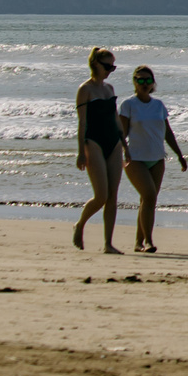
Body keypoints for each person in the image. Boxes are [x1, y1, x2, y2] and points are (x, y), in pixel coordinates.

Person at [117, 65, 187, 254]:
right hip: (135, 159)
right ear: (134, 82)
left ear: (153, 83)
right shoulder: (128, 105)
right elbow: (121, 133)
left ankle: (138, 242)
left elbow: (167, 132)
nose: (144, 84)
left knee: (147, 201)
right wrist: (123, 151)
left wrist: (179, 155)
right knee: (149, 196)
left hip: (157, 159)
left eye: (148, 80)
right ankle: (148, 241)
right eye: (140, 80)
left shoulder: (158, 105)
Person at [72, 47, 126, 254]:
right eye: (107, 66)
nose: (110, 71)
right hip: (93, 142)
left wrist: (125, 146)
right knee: (101, 195)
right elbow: (82, 123)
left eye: (113, 67)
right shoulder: (85, 89)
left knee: (113, 196)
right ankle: (80, 224)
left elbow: (115, 119)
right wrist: (80, 152)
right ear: (95, 64)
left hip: (114, 143)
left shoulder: (109, 89)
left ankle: (108, 244)